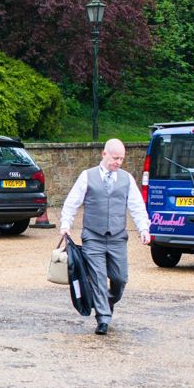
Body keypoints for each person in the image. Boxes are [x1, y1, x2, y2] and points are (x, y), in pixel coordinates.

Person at [59, 138, 150, 335]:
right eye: (115, 158)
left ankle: (108, 301)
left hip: (117, 237)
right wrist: (66, 225)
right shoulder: (87, 176)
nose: (118, 162)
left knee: (120, 278)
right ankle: (103, 319)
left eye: (122, 159)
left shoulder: (126, 179)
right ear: (104, 154)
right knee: (98, 278)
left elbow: (136, 206)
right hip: (93, 236)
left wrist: (144, 228)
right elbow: (72, 202)